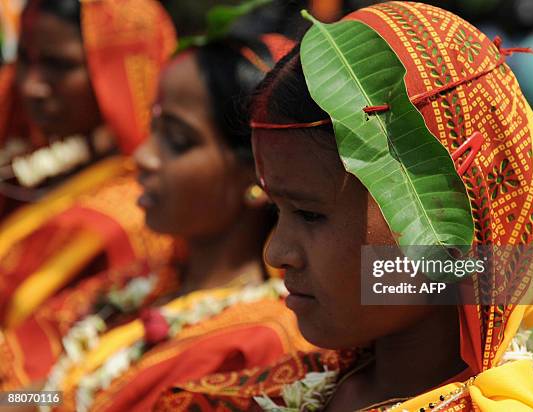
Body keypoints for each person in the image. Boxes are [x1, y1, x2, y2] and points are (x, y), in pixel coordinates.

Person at [152, 2, 533, 411]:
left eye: (309, 214)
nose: (276, 252)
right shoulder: (238, 397)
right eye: (278, 210)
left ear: (445, 215)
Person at [1, 34, 315, 412]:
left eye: (179, 141)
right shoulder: (146, 283)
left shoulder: (256, 341)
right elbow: (53, 394)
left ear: (256, 174)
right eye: (155, 128)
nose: (145, 156)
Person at [0, 0, 176, 328]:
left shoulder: (142, 210)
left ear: (119, 70)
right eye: (24, 59)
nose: (31, 86)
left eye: (61, 65)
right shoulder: (18, 161)